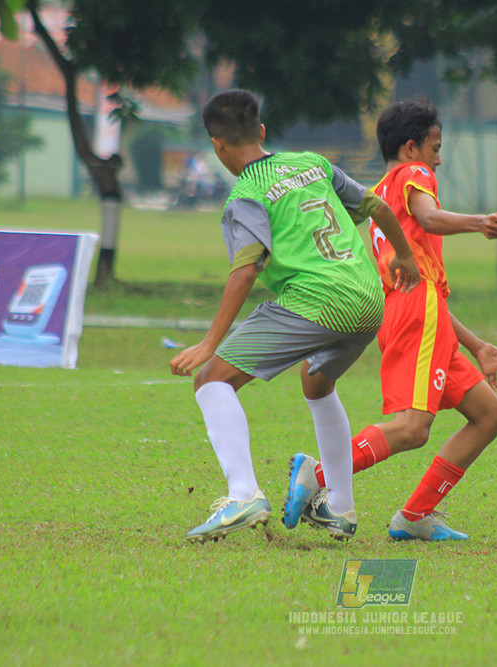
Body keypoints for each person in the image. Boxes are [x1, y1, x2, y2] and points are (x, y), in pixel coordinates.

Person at [170, 90, 420, 544]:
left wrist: (209, 344)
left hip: (318, 300)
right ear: (262, 132)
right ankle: (340, 507)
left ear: (217, 145)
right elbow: (377, 206)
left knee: (211, 379)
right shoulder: (312, 163)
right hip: (368, 300)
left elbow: (246, 270)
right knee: (317, 382)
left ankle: (243, 493)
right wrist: (404, 256)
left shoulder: (245, 194)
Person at [282, 99, 497, 541]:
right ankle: (316, 474)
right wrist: (478, 221)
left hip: (414, 314)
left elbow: (423, 284)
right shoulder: (415, 176)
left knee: (488, 413)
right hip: (418, 314)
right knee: (413, 428)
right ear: (411, 148)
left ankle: (414, 517)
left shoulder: (378, 197)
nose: (439, 159)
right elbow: (430, 220)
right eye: (435, 148)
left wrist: (475, 345)